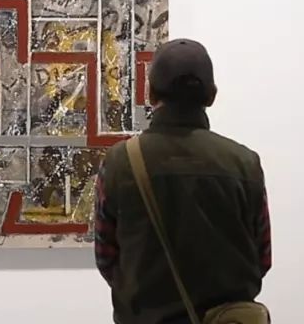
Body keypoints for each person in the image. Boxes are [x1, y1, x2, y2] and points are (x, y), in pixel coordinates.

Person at [94, 38, 272, 324]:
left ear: (150, 93)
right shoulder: (245, 163)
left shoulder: (119, 162)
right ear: (212, 96)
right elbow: (262, 258)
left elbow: (106, 256)